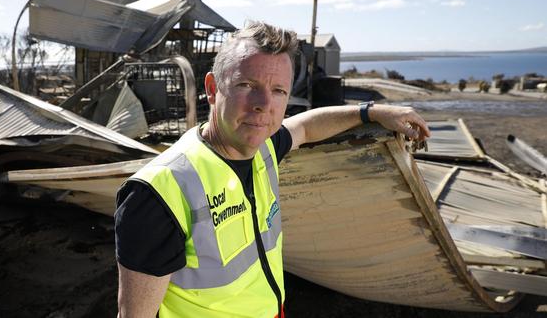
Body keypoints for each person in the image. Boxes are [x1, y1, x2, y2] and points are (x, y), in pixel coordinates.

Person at [115, 21, 431, 318]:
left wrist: (374, 111)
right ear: (212, 89)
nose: (263, 104)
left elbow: (306, 127)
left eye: (278, 90)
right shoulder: (159, 193)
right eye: (246, 84)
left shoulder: (262, 148)